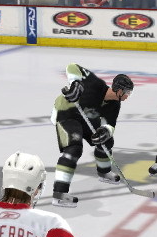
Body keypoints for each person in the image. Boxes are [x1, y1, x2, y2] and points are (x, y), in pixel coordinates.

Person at [51, 64, 135, 207]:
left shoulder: (115, 105)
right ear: (119, 90)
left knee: (107, 141)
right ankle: (59, 194)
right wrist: (75, 83)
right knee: (73, 149)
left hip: (86, 118)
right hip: (66, 113)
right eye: (127, 92)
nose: (127, 96)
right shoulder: (95, 84)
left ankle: (104, 172)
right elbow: (73, 66)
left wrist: (105, 131)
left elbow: (110, 124)